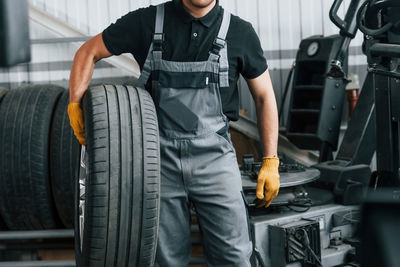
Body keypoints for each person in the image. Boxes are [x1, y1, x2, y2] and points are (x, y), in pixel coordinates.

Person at [67, 0, 280, 266]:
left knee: (235, 258)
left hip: (215, 164)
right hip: (159, 164)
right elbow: (88, 52)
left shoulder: (239, 32)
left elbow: (264, 97)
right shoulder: (147, 22)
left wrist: (271, 160)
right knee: (165, 261)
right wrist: (75, 103)